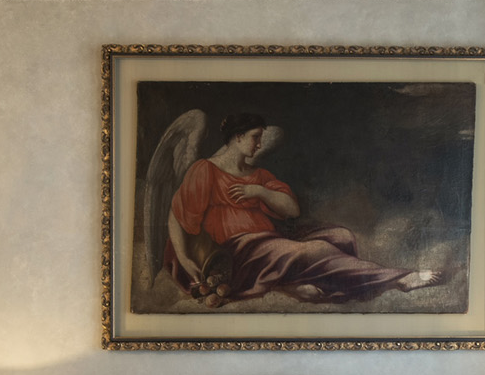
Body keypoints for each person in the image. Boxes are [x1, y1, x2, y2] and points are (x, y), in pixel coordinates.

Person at [164, 112, 440, 307]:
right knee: (313, 250)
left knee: (340, 236)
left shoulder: (257, 174)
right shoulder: (205, 170)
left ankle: (289, 285)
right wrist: (186, 259)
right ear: (237, 137)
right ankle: (398, 279)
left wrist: (259, 192)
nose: (259, 144)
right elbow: (177, 214)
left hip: (268, 245)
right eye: (255, 137)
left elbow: (292, 209)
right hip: (239, 251)